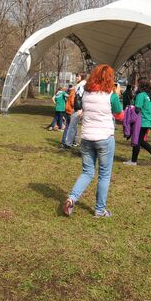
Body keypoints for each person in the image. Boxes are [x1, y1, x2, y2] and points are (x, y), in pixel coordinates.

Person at [62, 64, 123, 218]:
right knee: (104, 175)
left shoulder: (86, 94)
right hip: (104, 139)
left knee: (87, 172)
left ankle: (71, 198)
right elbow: (120, 116)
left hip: (87, 138)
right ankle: (99, 210)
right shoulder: (112, 96)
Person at [123, 77, 151, 166]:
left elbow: (137, 109)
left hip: (141, 121)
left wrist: (130, 111)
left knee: (137, 141)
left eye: (138, 83)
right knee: (140, 141)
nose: (136, 85)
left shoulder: (141, 95)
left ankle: (134, 161)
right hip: (147, 121)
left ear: (141, 84)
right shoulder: (148, 95)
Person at [60, 73, 87, 149]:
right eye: (76, 76)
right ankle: (72, 143)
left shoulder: (82, 85)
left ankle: (69, 143)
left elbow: (81, 97)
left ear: (82, 77)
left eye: (78, 76)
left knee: (73, 126)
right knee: (74, 126)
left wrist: (80, 108)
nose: (76, 78)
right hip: (79, 109)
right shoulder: (80, 85)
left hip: (80, 109)